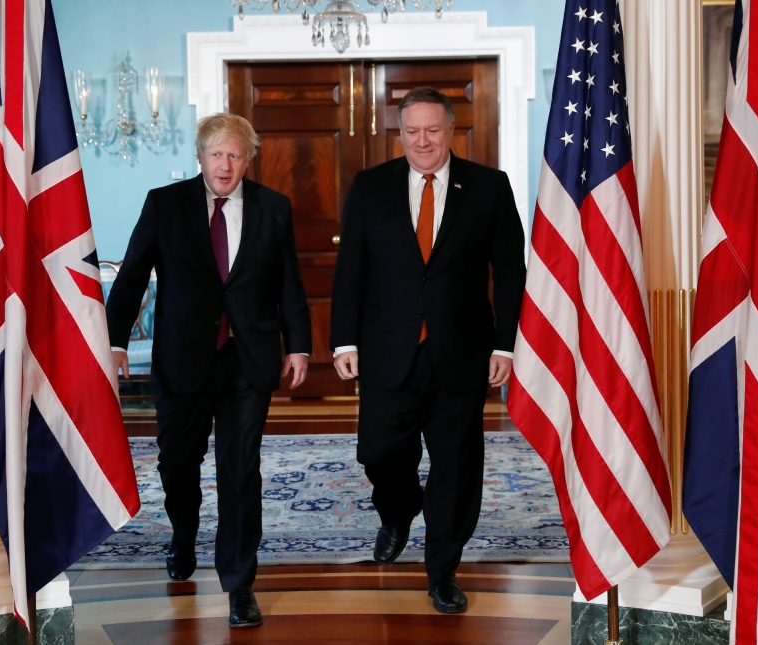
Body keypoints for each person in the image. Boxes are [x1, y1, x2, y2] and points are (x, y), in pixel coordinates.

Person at [105, 113, 312, 628]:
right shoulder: (165, 204)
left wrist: (300, 345)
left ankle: (240, 583)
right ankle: (182, 535)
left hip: (248, 358)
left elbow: (289, 282)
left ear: (249, 159)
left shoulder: (273, 208)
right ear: (200, 158)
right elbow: (131, 277)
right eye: (217, 154)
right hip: (183, 357)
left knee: (240, 469)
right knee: (179, 464)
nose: (225, 165)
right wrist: (112, 341)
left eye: (235, 154)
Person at [330, 87, 526, 614]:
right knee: (378, 452)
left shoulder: (489, 187)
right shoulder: (371, 187)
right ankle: (397, 509)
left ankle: (442, 571)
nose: (423, 141)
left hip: (461, 355)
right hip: (385, 352)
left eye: (432, 130)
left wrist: (505, 345)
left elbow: (510, 273)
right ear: (400, 133)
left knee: (456, 469)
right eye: (412, 131)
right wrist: (343, 339)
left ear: (450, 131)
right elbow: (351, 270)